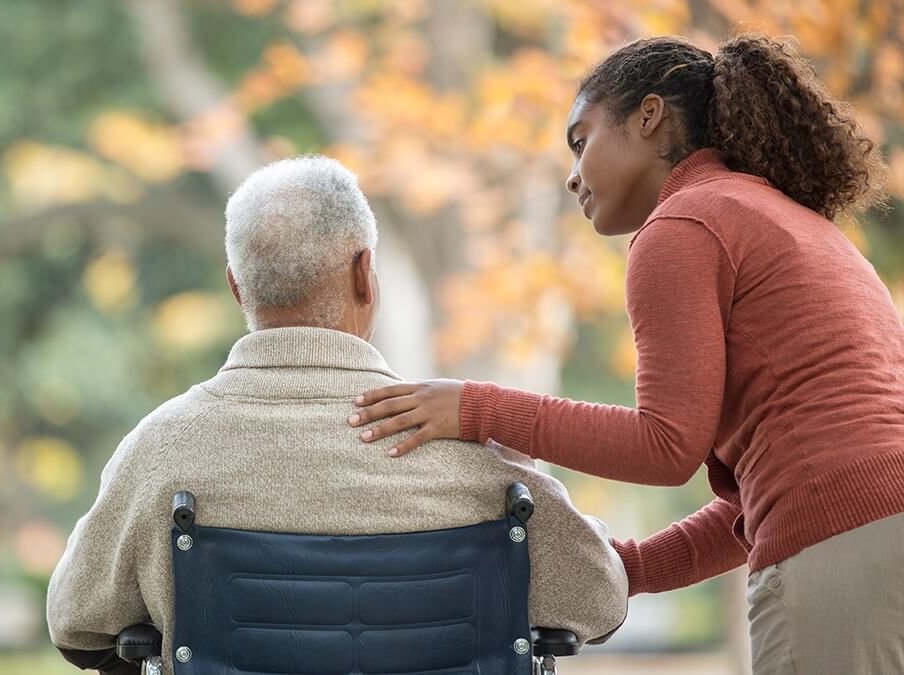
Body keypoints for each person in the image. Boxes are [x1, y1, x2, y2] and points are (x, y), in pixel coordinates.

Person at [348, 34, 904, 674]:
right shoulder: (792, 221)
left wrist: (473, 408)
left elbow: (666, 446)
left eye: (581, 141)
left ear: (649, 116)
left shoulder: (683, 226)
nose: (571, 174)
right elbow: (771, 494)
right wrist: (627, 569)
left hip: (844, 555)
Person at [47, 156, 628, 672]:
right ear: (363, 275)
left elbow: (76, 621)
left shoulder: (162, 451)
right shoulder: (479, 459)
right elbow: (599, 598)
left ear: (236, 288)